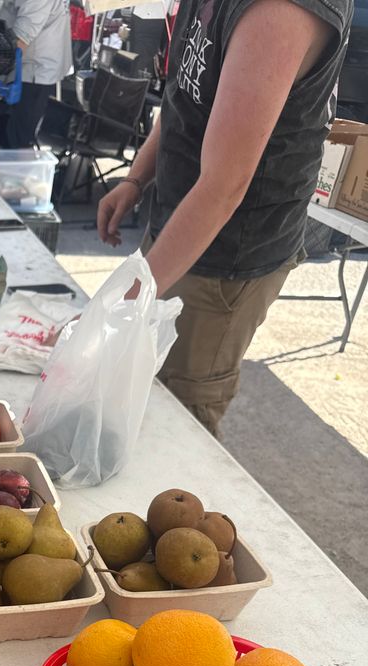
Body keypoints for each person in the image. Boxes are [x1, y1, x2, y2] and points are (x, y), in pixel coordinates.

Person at [96, 0, 352, 437]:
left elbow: (223, 187)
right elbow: (187, 93)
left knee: (174, 429)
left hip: (226, 260)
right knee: (125, 398)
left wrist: (125, 301)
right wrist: (137, 178)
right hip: (180, 227)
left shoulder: (281, 11)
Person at [0, 0, 72, 148]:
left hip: (31, 74)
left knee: (17, 144)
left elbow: (20, 41)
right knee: (13, 140)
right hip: (26, 72)